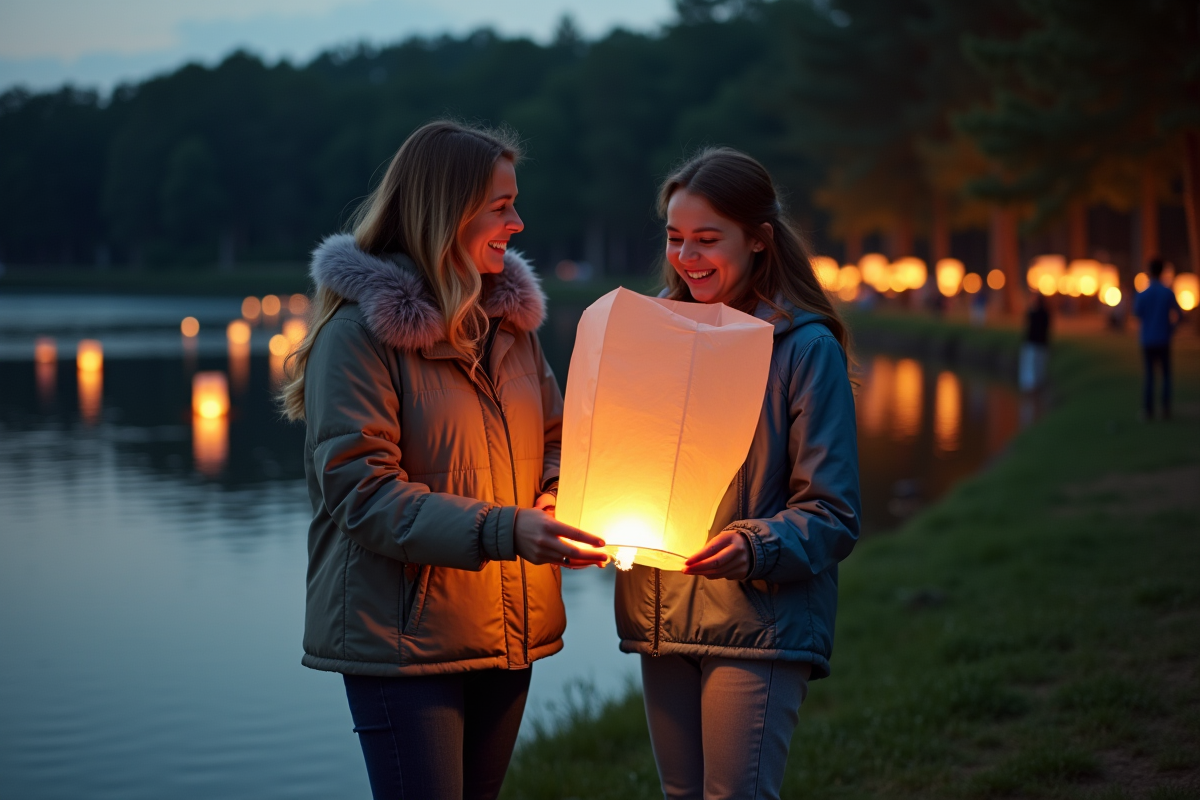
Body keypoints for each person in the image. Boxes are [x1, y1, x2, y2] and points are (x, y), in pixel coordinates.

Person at [279, 120, 608, 800]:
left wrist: (552, 497)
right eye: (500, 206)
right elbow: (361, 495)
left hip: (505, 627)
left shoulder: (511, 326)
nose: (517, 223)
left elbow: (556, 436)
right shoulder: (358, 336)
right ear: (446, 212)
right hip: (402, 644)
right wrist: (505, 530)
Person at [614, 147, 861, 800]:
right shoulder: (652, 339)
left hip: (760, 624)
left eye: (705, 240)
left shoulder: (806, 351)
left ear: (758, 241)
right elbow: (617, 459)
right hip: (662, 616)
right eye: (674, 239)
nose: (686, 258)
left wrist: (755, 545)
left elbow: (833, 513)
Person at [1133, 257, 1182, 420]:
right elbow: (1180, 315)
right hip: (1163, 338)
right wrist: (1171, 329)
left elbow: (1137, 313)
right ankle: (1166, 409)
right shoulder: (1167, 292)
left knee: (1149, 376)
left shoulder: (1143, 294)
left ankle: (1148, 411)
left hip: (1148, 339)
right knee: (1166, 375)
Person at [1019, 291, 1051, 391]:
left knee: (1031, 367)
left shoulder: (1034, 313)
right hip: (1041, 344)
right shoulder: (1046, 313)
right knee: (1039, 367)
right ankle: (1037, 388)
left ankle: (1031, 389)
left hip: (1033, 344)